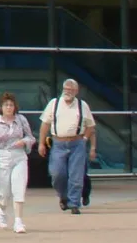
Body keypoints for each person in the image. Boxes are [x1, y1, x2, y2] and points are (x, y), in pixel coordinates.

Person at [39, 78, 96, 214]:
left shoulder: (82, 105)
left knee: (76, 176)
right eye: (66, 89)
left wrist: (85, 140)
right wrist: (41, 143)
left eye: (71, 89)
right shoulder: (54, 103)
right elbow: (45, 124)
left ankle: (74, 203)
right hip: (58, 143)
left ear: (76, 91)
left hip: (77, 143)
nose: (68, 92)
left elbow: (91, 126)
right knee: (57, 174)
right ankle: (63, 196)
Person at [0, 92, 34, 233]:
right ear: (1, 107)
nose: (9, 107)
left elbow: (30, 137)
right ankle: (3, 210)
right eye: (6, 105)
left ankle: (18, 221)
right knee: (4, 191)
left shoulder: (21, 120)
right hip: (2, 157)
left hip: (19, 156)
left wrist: (24, 141)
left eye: (11, 105)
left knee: (19, 188)